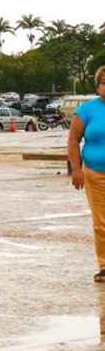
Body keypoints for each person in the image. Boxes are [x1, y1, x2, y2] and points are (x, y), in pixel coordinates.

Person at [69, 65, 105, 283]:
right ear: (97, 86)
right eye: (104, 82)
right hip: (95, 173)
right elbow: (73, 139)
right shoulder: (86, 110)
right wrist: (76, 169)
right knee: (101, 222)